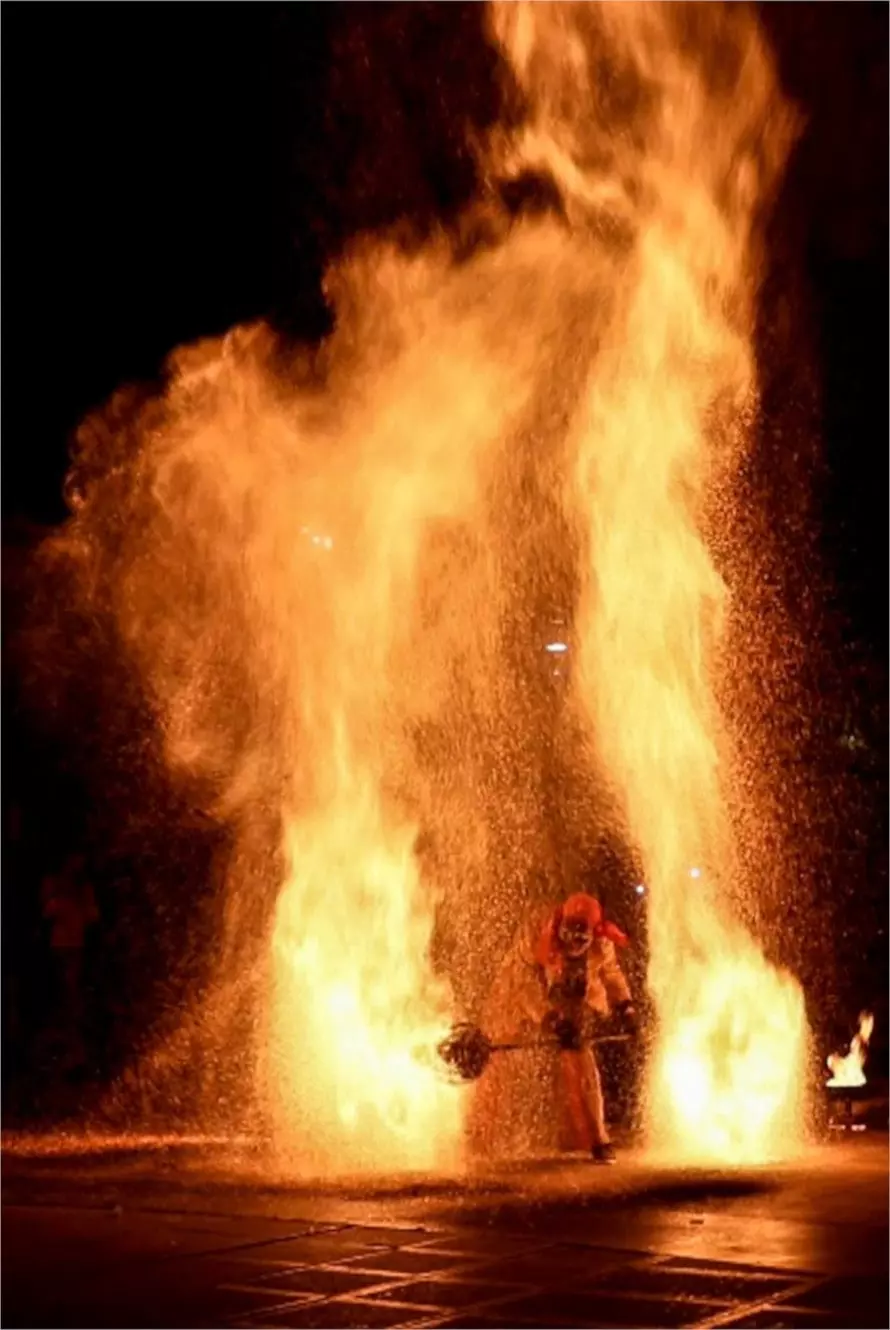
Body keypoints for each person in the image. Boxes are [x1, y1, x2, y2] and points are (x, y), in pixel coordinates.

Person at [481, 890, 636, 1163]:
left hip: (578, 1001)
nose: (575, 942)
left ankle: (598, 1139)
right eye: (569, 933)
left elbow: (611, 974)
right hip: (529, 999)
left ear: (593, 933)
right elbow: (523, 984)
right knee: (513, 1060)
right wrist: (548, 1018)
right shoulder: (535, 936)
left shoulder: (602, 945)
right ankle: (491, 1132)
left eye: (582, 936)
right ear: (559, 926)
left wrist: (626, 1006)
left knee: (581, 1058)